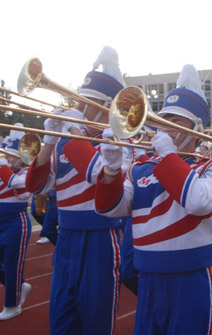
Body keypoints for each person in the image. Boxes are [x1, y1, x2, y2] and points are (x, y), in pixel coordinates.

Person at [94, 63, 212, 334]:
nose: (164, 129)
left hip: (190, 276)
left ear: (196, 127)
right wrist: (110, 166)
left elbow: (198, 200)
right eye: (163, 121)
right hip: (149, 278)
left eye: (175, 122)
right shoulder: (141, 167)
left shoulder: (209, 167)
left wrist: (168, 155)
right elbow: (110, 208)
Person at [25, 46, 125, 334]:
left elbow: (97, 172)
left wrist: (70, 132)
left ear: (108, 106)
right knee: (61, 320)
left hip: (100, 239)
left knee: (95, 322)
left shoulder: (115, 142)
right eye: (78, 102)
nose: (79, 109)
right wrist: (47, 139)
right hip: (67, 238)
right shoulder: (66, 141)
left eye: (86, 103)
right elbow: (37, 185)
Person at [0, 127, 32, 320]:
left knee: (13, 263)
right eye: (7, 156)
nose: (10, 159)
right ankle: (20, 286)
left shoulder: (27, 171)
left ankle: (12, 305)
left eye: (13, 156)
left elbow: (15, 183)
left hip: (15, 221)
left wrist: (3, 163)